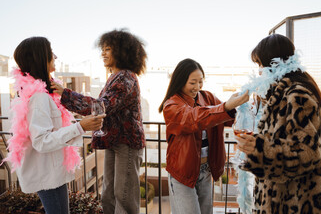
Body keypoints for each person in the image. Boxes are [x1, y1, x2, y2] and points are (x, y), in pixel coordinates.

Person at [236, 34, 321, 213]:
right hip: (280, 199)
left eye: (260, 64)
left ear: (273, 63)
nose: (259, 71)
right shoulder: (282, 93)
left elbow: (306, 153)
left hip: (295, 203)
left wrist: (259, 149)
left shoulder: (297, 95)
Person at [3, 37, 104, 214]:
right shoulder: (39, 98)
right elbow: (41, 141)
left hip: (49, 174)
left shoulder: (38, 94)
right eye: (51, 53)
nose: (55, 57)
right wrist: (81, 126)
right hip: (48, 177)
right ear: (40, 58)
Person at [51, 29, 147, 214]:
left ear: (122, 51)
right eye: (102, 49)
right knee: (108, 196)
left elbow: (101, 106)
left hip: (126, 144)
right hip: (115, 142)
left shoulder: (125, 77)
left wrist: (65, 93)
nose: (103, 53)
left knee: (124, 197)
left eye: (108, 49)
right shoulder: (116, 77)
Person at [158, 58, 249, 214]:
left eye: (200, 82)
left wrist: (240, 106)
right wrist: (226, 107)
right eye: (192, 83)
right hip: (183, 172)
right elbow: (193, 118)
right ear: (180, 81)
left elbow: (227, 117)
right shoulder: (171, 105)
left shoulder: (207, 97)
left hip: (205, 170)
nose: (197, 87)